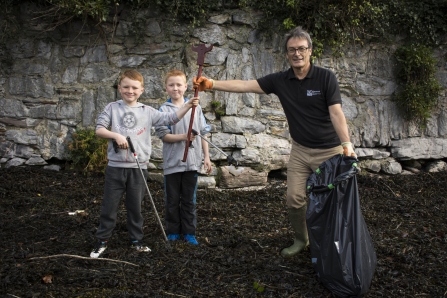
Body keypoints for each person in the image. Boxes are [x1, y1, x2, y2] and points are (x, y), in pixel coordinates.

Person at [193, 26, 356, 258]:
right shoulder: (281, 80)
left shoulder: (325, 78)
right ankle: (302, 239)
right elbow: (245, 85)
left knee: (331, 201)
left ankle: (333, 242)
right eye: (292, 50)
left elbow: (336, 113)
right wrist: (211, 84)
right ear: (287, 53)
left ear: (310, 51)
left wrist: (346, 144)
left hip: (329, 151)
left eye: (302, 49)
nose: (297, 53)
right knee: (294, 199)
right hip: (300, 151)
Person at [90, 69, 199, 258]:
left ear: (142, 90)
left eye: (134, 88)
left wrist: (188, 105)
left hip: (139, 167)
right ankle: (102, 240)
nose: (130, 91)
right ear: (119, 88)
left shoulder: (148, 111)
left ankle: (136, 240)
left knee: (135, 207)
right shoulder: (112, 108)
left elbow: (170, 118)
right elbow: (99, 129)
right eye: (126, 87)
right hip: (116, 167)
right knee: (109, 206)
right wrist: (116, 135)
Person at [155, 70, 212, 245]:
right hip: (173, 163)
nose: (175, 88)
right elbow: (164, 136)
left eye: (179, 84)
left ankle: (189, 232)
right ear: (166, 88)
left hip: (192, 162)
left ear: (186, 87)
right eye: (171, 85)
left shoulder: (196, 107)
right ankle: (173, 231)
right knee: (172, 199)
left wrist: (207, 157)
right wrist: (183, 137)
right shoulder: (164, 110)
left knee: (189, 200)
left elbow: (203, 133)